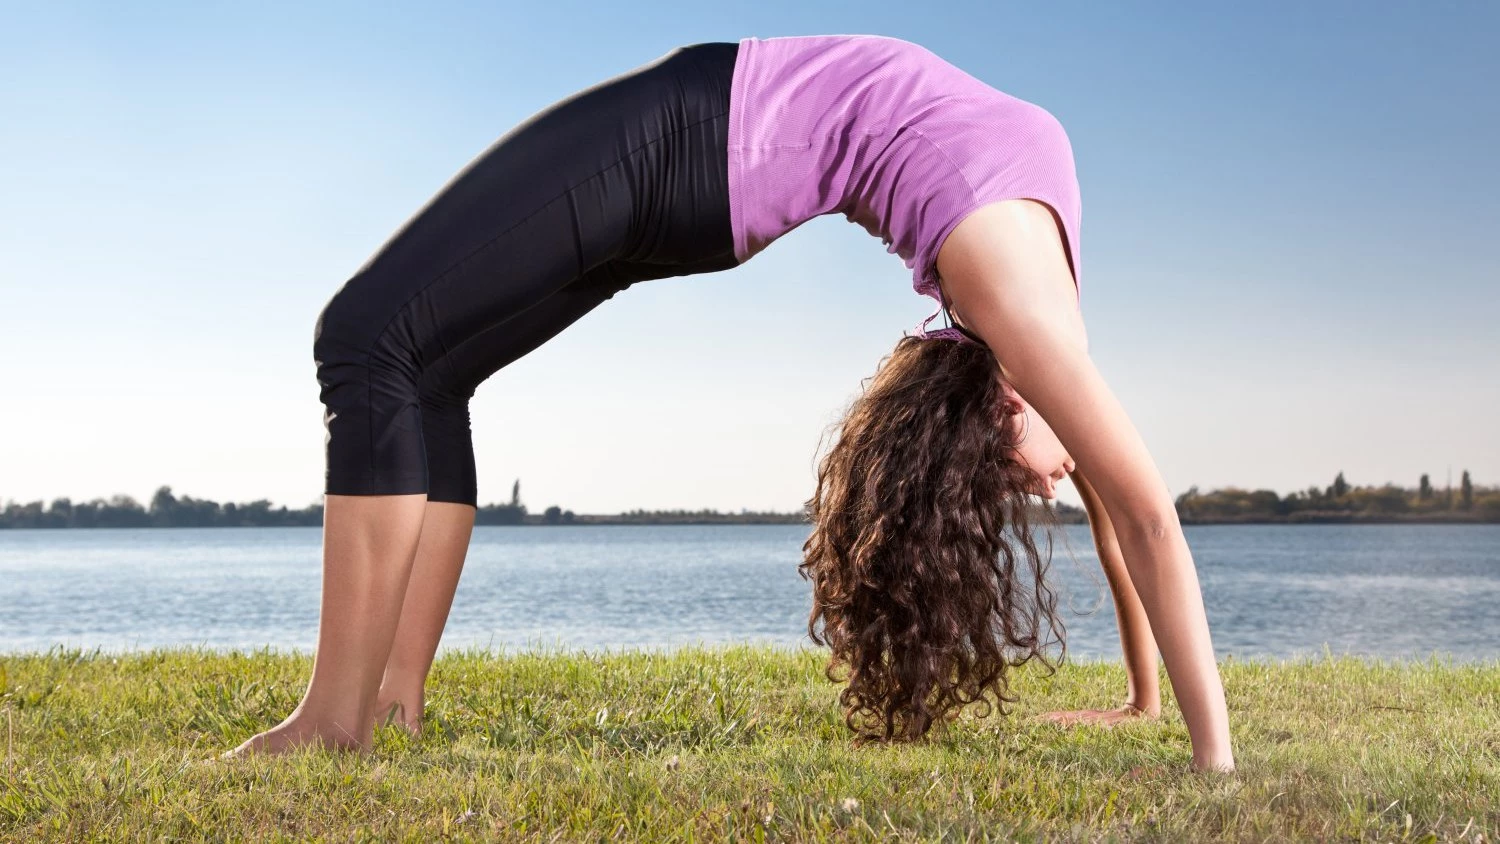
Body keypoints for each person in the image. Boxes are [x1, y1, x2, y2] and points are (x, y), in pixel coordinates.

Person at [222, 34, 1235, 773]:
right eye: (1033, 476)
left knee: (363, 339)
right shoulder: (1043, 308)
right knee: (425, 369)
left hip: (695, 140)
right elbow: (1128, 512)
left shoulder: (1019, 301)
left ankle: (335, 718)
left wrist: (1210, 757)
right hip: (705, 161)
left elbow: (1136, 512)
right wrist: (1147, 705)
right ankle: (387, 703)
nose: (1055, 477)